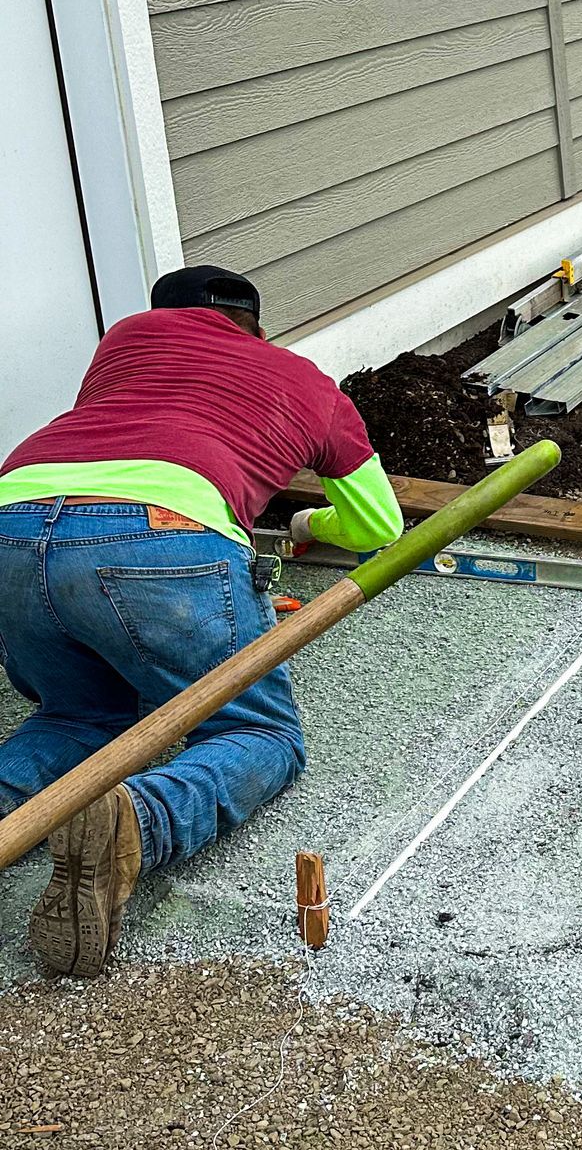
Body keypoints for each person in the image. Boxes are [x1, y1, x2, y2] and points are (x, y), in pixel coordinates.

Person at [0, 266, 404, 978]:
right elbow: (378, 524)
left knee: (78, 716)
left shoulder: (124, 343)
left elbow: (110, 460)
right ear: (255, 325)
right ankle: (138, 825)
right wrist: (309, 521)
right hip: (159, 535)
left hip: (13, 521)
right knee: (256, 731)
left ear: (160, 316)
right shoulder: (302, 379)